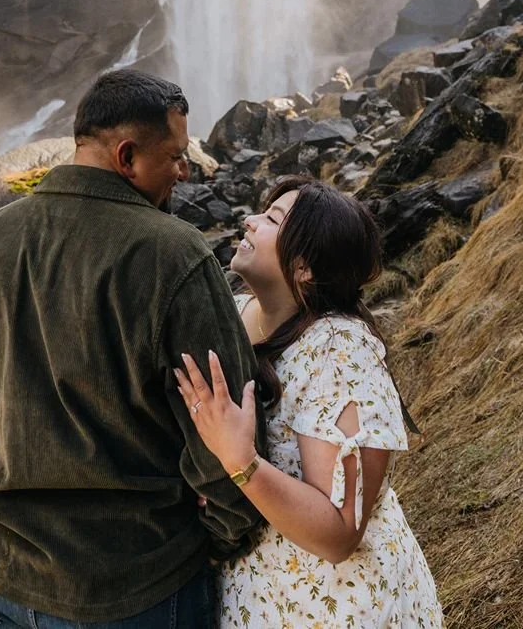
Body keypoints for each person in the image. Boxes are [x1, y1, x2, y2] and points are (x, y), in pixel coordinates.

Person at [0, 69, 266, 628]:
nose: (186, 170)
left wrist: (0, 480)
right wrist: (222, 537)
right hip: (138, 586)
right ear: (127, 156)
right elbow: (223, 424)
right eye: (177, 156)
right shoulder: (174, 254)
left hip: (4, 577)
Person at [175, 176, 444, 627]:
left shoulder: (340, 351)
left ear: (304, 267)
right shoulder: (236, 314)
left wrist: (239, 462)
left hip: (333, 605)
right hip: (257, 594)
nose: (248, 220)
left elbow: (339, 532)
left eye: (272, 218)